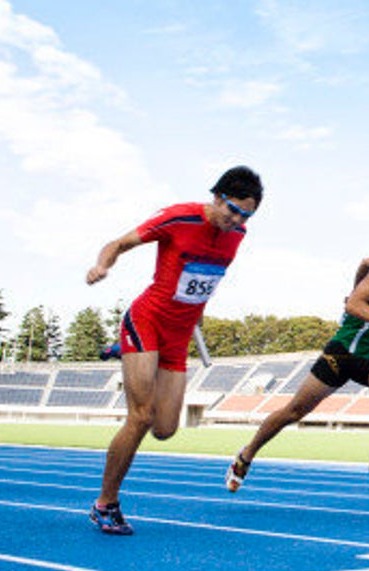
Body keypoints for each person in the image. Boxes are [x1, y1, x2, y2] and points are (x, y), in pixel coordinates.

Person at [86, 166, 263, 535]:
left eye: (246, 215)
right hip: (147, 320)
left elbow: (202, 281)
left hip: (178, 337)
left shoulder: (237, 234)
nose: (237, 220)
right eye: (232, 210)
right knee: (140, 416)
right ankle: (106, 504)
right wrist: (102, 265)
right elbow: (118, 244)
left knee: (164, 429)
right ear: (217, 197)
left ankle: (125, 350)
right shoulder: (179, 216)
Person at [226, 216, 369, 493]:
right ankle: (246, 454)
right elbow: (355, 306)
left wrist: (356, 287)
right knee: (294, 411)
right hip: (343, 354)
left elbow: (363, 263)